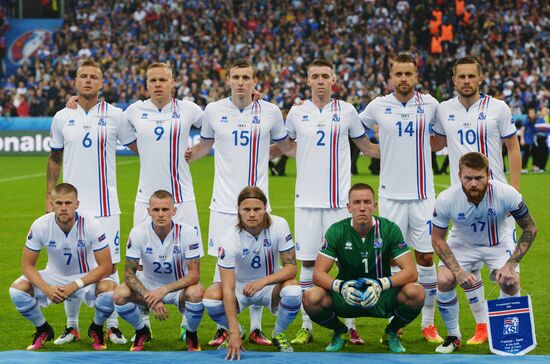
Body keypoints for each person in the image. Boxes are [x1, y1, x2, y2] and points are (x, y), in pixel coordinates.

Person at [187, 59, 294, 346]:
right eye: (236, 77)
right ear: (229, 80)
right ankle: (225, 328)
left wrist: (312, 151)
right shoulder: (213, 110)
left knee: (259, 267)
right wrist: (185, 155)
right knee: (220, 266)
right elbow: (205, 145)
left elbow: (285, 147)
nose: (241, 82)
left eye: (246, 77)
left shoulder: (271, 111)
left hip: (258, 203)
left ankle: (256, 328)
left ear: (255, 80)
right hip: (222, 203)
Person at [282, 59, 380, 345]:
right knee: (309, 264)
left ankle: (349, 326)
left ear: (333, 79)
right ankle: (307, 326)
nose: (321, 80)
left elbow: (366, 147)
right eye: (316, 76)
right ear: (308, 80)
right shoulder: (297, 113)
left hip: (339, 202)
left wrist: (401, 150)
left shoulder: (347, 111)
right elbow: (286, 146)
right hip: (307, 201)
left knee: (346, 264)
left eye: (325, 75)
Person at [432, 56, 522, 345]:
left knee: (507, 277)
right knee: (457, 271)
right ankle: (480, 327)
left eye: (472, 76)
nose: (467, 81)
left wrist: (515, 192)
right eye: (462, 77)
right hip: (463, 201)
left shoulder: (498, 108)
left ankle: (510, 332)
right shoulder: (444, 109)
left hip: (497, 201)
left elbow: (513, 148)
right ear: (454, 80)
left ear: (480, 78)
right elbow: (434, 143)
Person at [46, 59, 135, 345]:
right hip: (71, 207)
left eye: (93, 76)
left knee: (111, 267)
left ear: (101, 82)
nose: (87, 80)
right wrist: (50, 195)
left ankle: (111, 325)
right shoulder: (62, 116)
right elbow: (54, 158)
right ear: (75, 81)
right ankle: (71, 326)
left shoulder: (116, 116)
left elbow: (138, 143)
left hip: (107, 208)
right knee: (69, 266)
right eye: (83, 76)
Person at [359, 53, 443, 343]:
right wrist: (376, 150)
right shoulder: (377, 106)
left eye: (409, 74)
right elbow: (353, 131)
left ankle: (428, 324)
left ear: (417, 76)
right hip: (391, 196)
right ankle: (397, 322)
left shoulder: (431, 105)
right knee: (393, 262)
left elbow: (442, 138)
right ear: (391, 77)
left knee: (425, 257)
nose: (403, 79)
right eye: (398, 74)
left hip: (422, 195)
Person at [431, 152, 537, 353]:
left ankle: (505, 336)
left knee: (511, 281)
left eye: (479, 178)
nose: (473, 184)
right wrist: (458, 271)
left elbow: (530, 229)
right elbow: (437, 239)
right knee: (444, 279)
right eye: (468, 178)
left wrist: (510, 264)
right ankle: (453, 336)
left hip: (497, 242)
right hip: (462, 244)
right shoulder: (446, 198)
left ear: (488, 174)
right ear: (459, 175)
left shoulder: (507, 194)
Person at [302, 183, 424, 353]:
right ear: (349, 207)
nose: (362, 208)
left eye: (367, 202)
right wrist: (342, 286)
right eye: (357, 203)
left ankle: (392, 333)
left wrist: (381, 284)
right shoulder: (337, 231)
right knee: (310, 297)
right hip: (347, 295)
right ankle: (340, 332)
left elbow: (411, 272)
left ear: (375, 206)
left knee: (416, 292)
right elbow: (318, 274)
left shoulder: (389, 229)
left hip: (381, 295)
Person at [9, 183, 115, 351]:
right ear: (52, 204)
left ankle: (96, 328)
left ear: (77, 204)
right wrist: (47, 289)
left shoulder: (92, 225)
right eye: (59, 203)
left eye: (68, 203)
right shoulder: (40, 225)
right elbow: (27, 265)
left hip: (84, 276)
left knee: (110, 290)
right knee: (16, 290)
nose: (63, 208)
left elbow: (106, 266)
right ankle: (42, 328)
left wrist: (75, 284)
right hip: (54, 276)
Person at [203, 186, 301, 360]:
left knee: (293, 290)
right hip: (239, 288)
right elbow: (227, 288)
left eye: (257, 209)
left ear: (265, 209)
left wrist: (263, 281)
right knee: (210, 298)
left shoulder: (279, 225)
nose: (252, 214)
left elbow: (291, 268)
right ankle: (238, 332)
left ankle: (278, 334)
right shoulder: (229, 238)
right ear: (238, 211)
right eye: (246, 209)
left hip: (269, 286)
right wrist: (232, 332)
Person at [113, 190, 204, 352]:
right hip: (148, 285)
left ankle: (191, 333)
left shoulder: (188, 232)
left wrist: (163, 291)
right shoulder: (138, 232)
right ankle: (142, 331)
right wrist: (151, 296)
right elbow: (128, 274)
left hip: (177, 288)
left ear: (173, 211)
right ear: (149, 212)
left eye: (165, 209)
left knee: (197, 292)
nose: (160, 214)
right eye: (156, 210)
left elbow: (194, 274)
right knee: (119, 294)